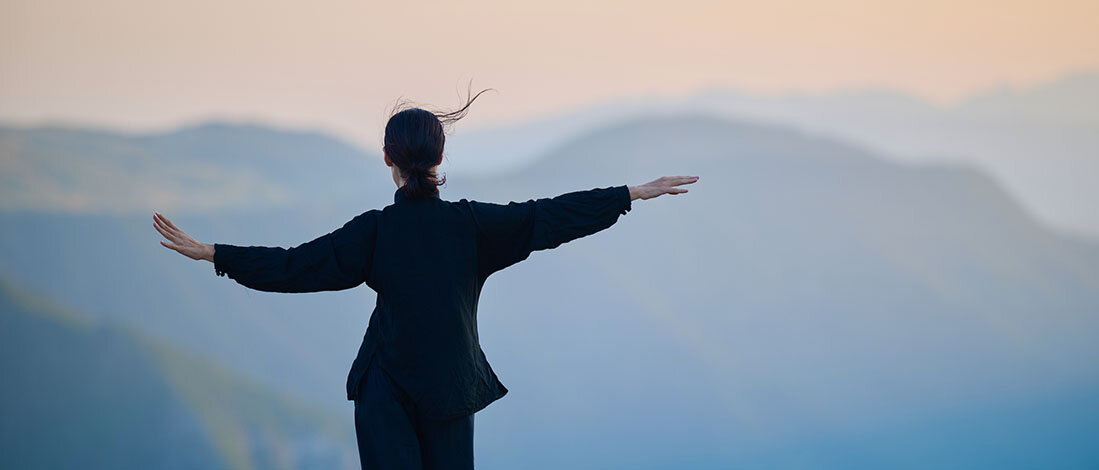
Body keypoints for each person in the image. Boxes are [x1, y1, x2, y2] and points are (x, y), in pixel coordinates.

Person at [152, 90, 698, 469]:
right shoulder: (472, 227)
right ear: (440, 157)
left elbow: (295, 266)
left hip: (385, 391)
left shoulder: (374, 234)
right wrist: (627, 195)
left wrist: (215, 253)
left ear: (388, 158)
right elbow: (546, 217)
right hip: (450, 392)